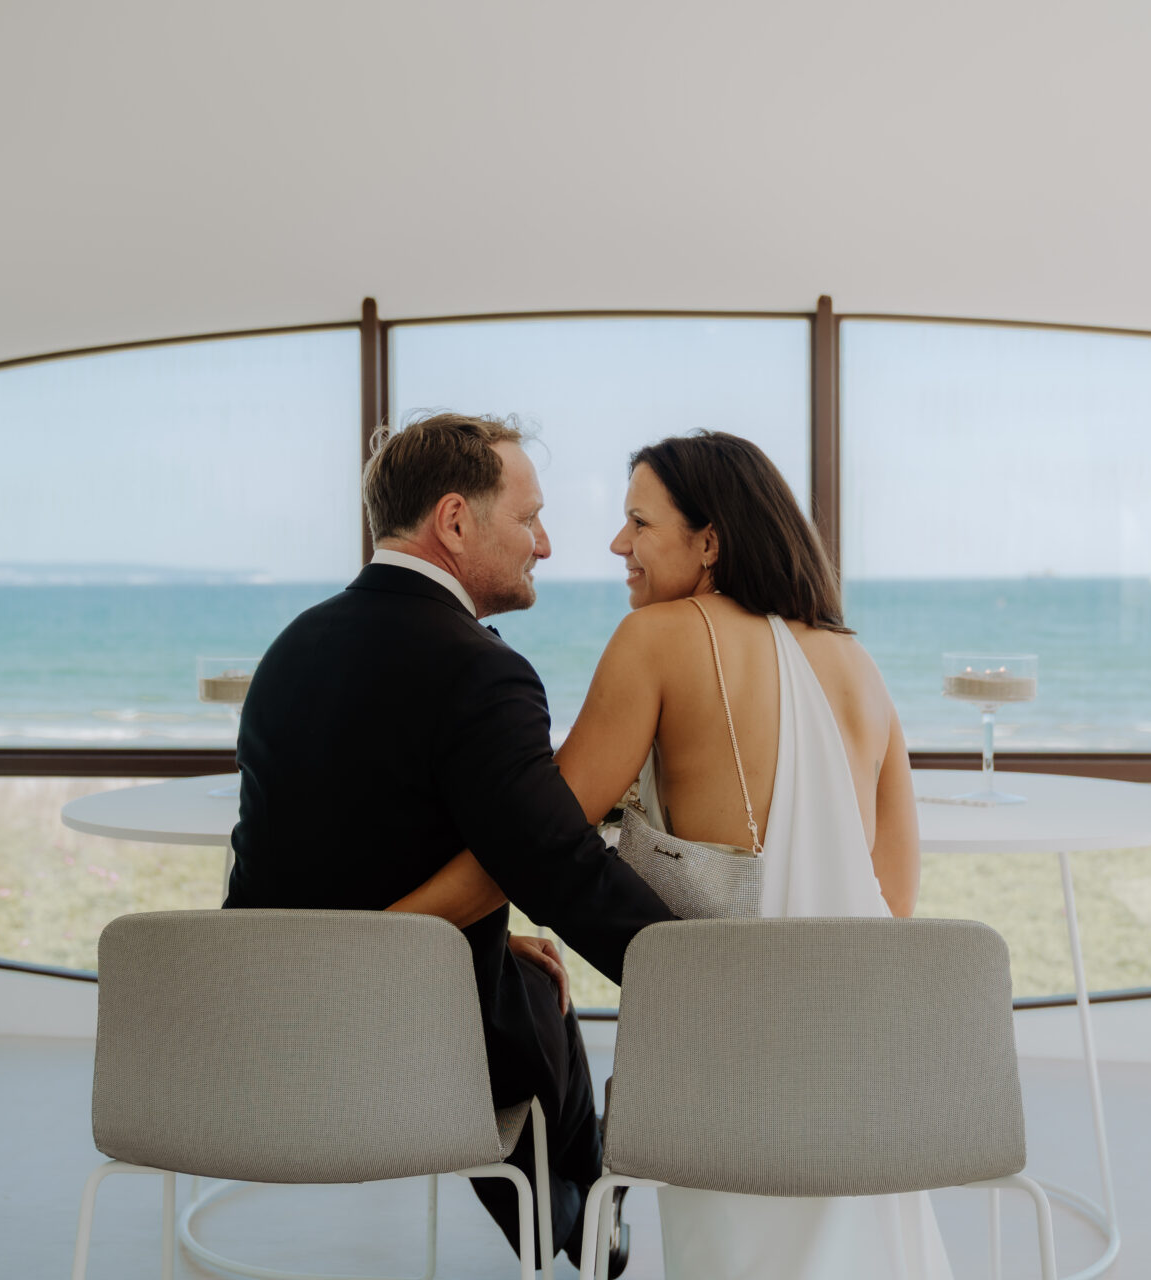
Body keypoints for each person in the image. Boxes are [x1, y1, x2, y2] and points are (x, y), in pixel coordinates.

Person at [394, 430, 948, 1280]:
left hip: (726, 1064)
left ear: (710, 541)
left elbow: (533, 841)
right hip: (862, 1069)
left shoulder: (658, 639)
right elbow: (893, 901)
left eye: (639, 524)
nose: (618, 545)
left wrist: (381, 934)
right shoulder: (856, 661)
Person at [225, 412, 674, 1277]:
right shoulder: (479, 667)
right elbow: (561, 865)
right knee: (538, 999)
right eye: (529, 518)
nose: (544, 545)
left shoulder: (291, 647)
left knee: (522, 968)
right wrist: (703, 977)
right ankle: (583, 1238)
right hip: (398, 1062)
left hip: (258, 1042)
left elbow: (324, 847)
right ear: (457, 520)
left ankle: (578, 1226)